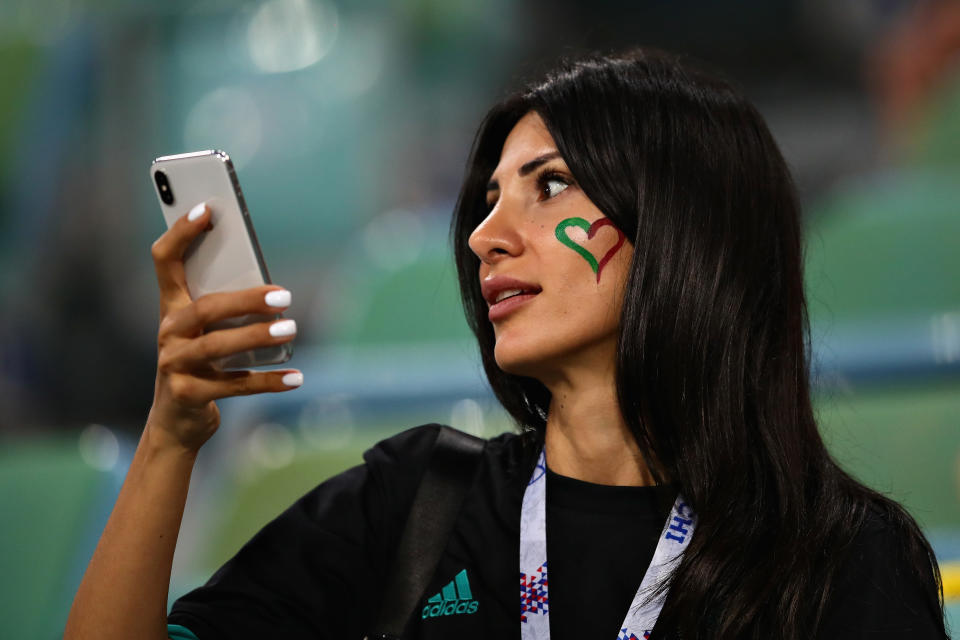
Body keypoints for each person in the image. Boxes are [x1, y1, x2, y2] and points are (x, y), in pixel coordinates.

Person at [65, 48, 948, 640]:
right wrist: (169, 438)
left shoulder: (840, 559)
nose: (487, 234)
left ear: (686, 228)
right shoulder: (411, 505)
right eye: (489, 197)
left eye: (550, 185)